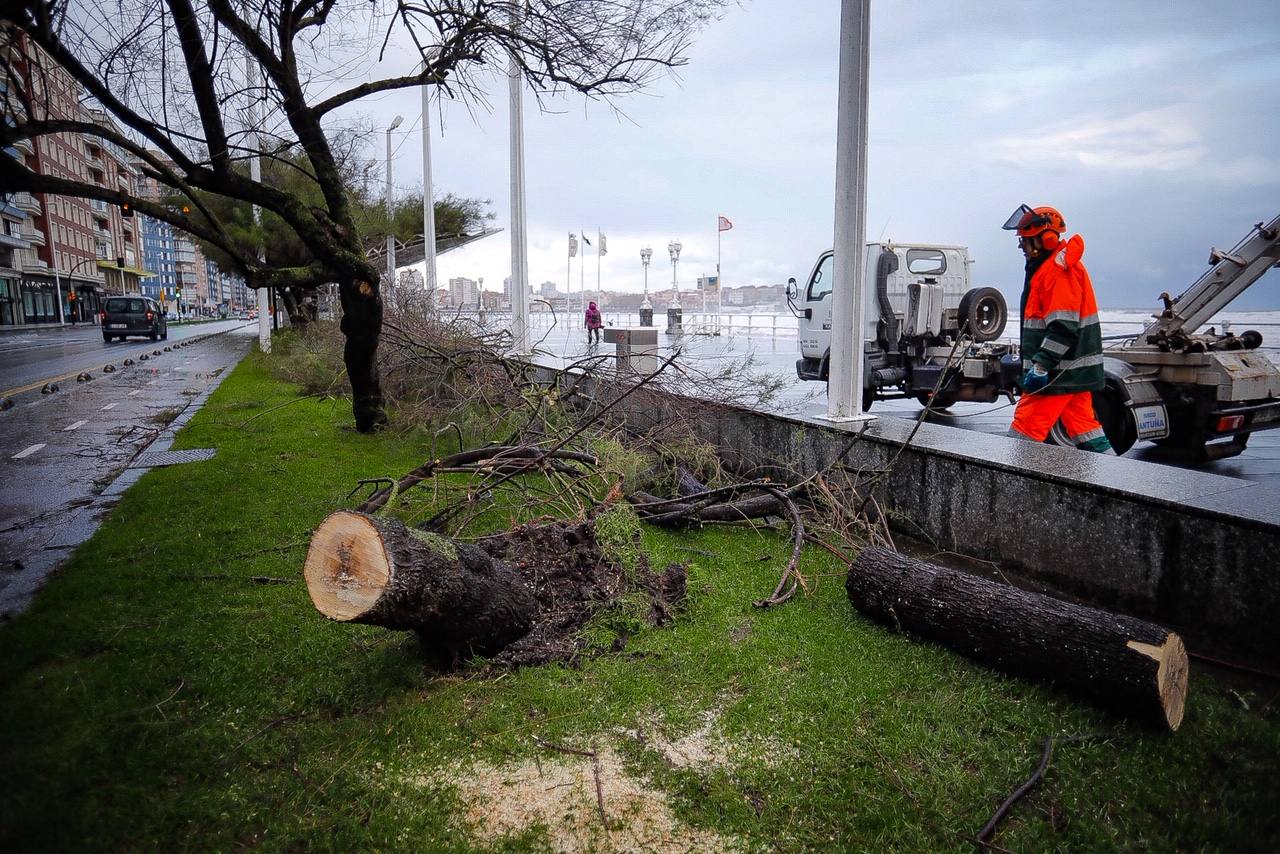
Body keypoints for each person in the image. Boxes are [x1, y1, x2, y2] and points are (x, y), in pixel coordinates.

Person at [1001, 204, 1113, 453]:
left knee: (1024, 432)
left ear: (1046, 239)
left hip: (1057, 373)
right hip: (1070, 370)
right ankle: (1114, 481)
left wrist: (1042, 365)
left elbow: (1063, 327)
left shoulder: (1057, 272)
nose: (1021, 246)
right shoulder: (1050, 269)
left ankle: (1008, 483)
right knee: (1086, 429)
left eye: (1025, 240)